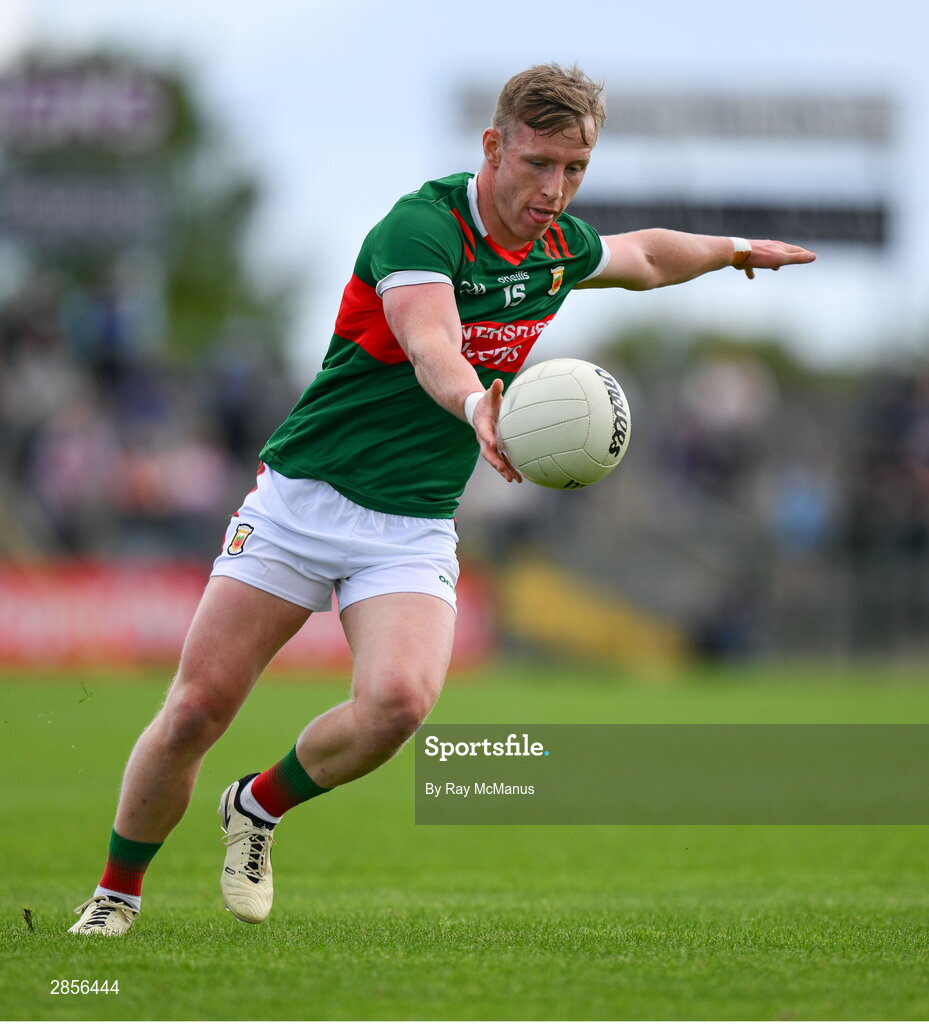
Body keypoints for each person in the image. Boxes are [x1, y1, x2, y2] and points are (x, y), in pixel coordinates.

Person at [69, 63, 815, 936]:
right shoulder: (421, 227)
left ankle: (256, 808)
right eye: (538, 163)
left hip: (410, 524)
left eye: (575, 169)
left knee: (398, 705)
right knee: (196, 708)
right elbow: (431, 342)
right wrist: (475, 403)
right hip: (302, 500)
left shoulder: (555, 246)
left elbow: (644, 255)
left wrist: (731, 253)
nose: (555, 189)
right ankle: (116, 896)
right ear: (493, 145)